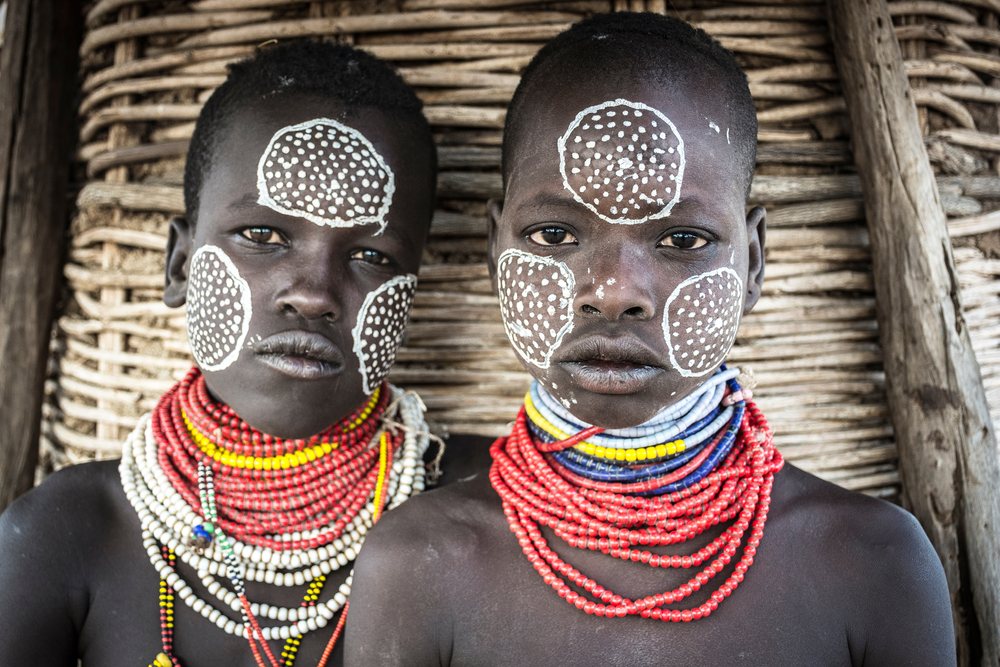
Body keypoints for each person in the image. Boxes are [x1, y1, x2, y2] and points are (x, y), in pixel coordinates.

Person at [344, 13, 957, 666]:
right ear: (497, 248)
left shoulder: (876, 563)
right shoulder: (417, 565)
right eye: (554, 235)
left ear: (752, 262)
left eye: (683, 240)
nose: (612, 290)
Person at [0, 40, 445, 667]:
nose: (315, 296)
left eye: (372, 257)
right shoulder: (62, 534)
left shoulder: (471, 523)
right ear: (180, 265)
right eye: (262, 236)